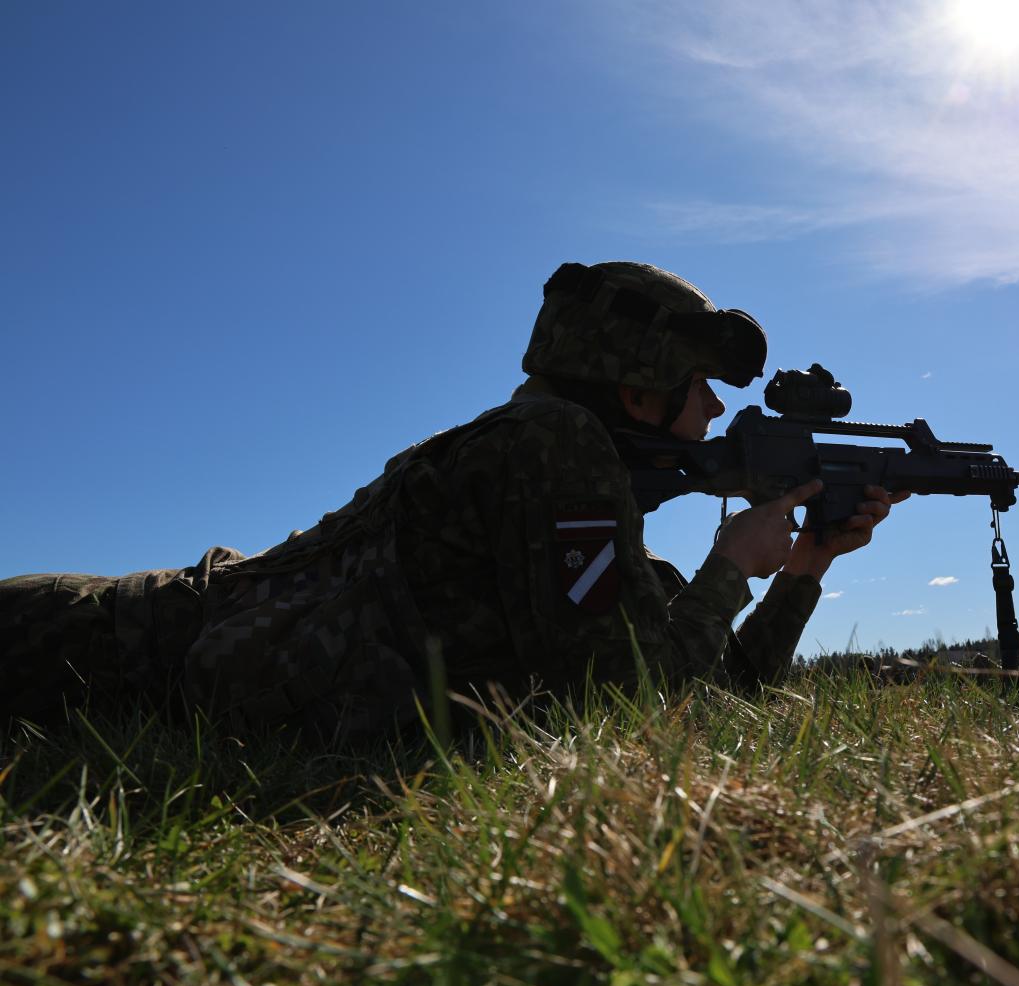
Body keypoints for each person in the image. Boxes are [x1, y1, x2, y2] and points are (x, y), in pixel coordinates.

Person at [1, 261, 902, 735]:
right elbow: (617, 704)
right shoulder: (553, 445)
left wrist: (804, 567)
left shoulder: (573, 476)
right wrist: (729, 567)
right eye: (700, 384)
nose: (715, 409)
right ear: (638, 386)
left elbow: (712, 693)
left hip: (158, 640)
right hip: (107, 644)